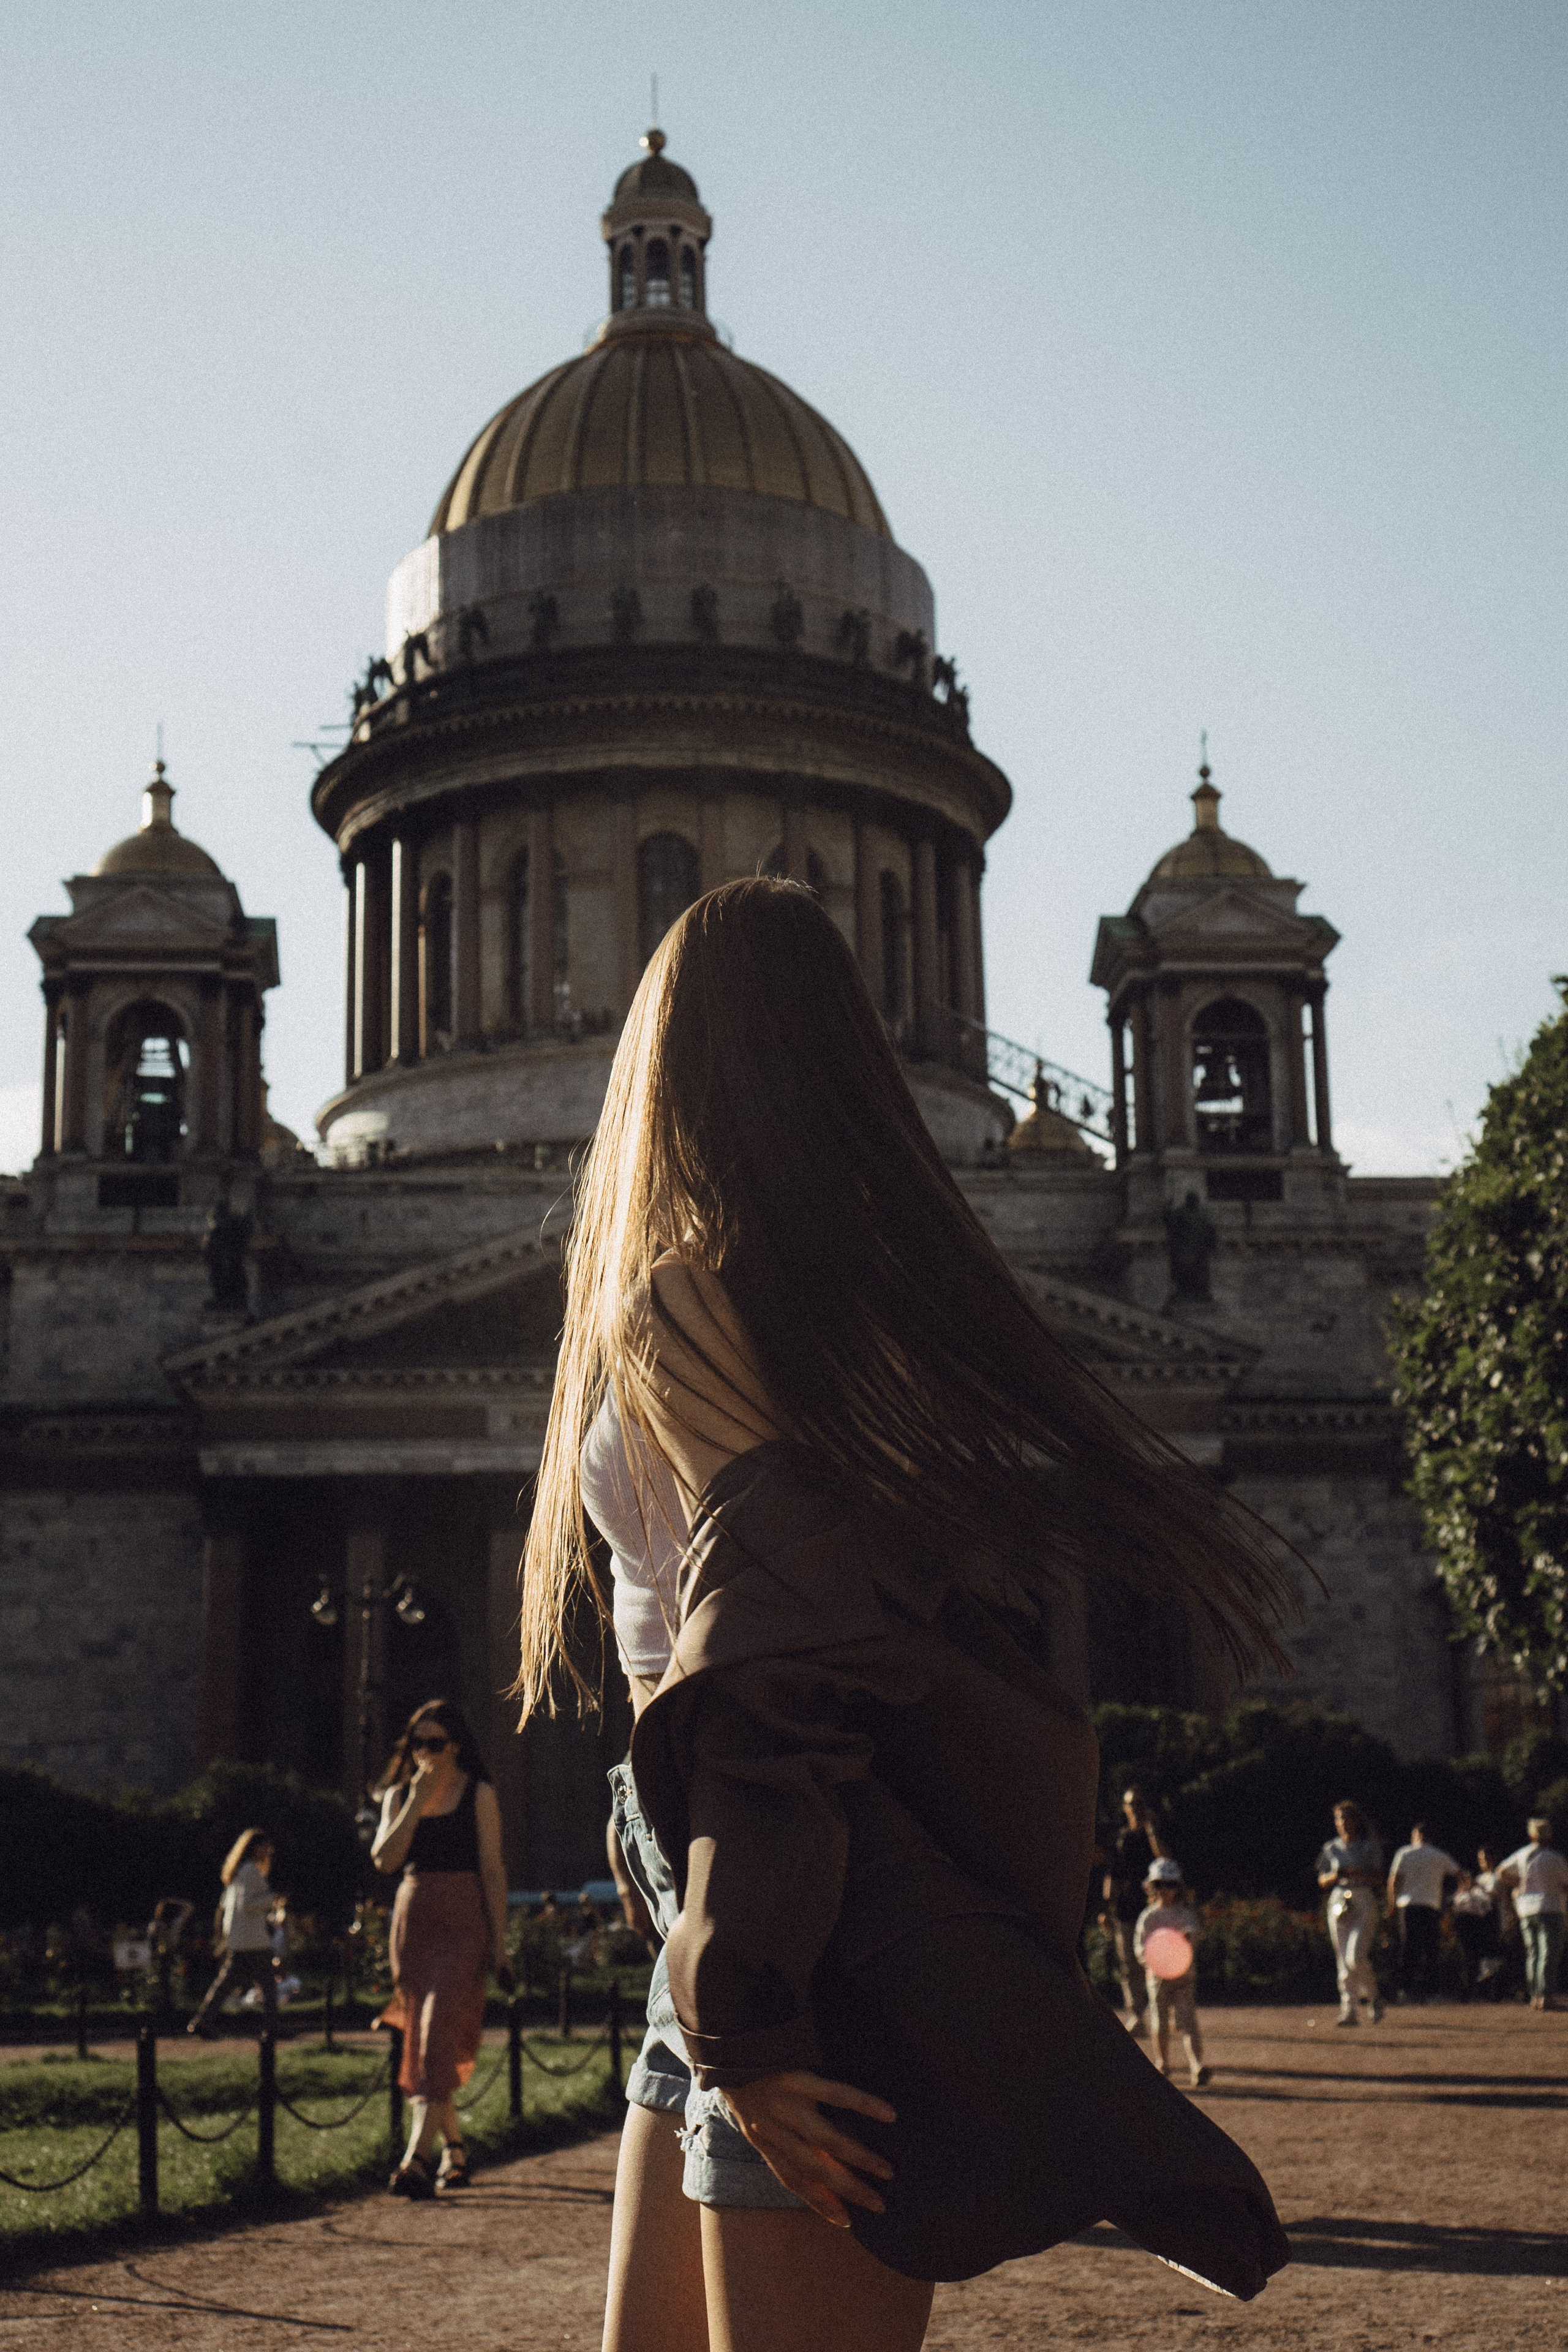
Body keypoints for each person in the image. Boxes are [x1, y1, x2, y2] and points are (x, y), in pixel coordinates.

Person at [518, 880, 1293, 2352]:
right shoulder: (864, 1313)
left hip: (780, 1894)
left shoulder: (692, 1299)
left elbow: (773, 1663)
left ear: (668, 1059)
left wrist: (748, 2004)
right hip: (734, 1886)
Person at [371, 1698, 514, 2196]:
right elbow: (385, 1861)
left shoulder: (479, 1793)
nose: (424, 1754)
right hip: (414, 1922)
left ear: (455, 1747)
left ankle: (415, 2159)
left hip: (464, 1921)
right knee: (423, 2037)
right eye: (417, 1744)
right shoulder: (399, 1796)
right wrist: (415, 1802)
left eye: (435, 1744)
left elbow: (492, 1871)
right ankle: (455, 2149)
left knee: (436, 2036)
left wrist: (501, 1946)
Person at [187, 1831, 278, 2038]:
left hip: (240, 1939)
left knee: (226, 1984)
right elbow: (246, 1905)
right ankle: (272, 2029)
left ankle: (202, 2021)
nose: (268, 1852)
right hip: (253, 1940)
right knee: (268, 1985)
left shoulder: (238, 1872)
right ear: (256, 1847)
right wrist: (271, 1898)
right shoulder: (250, 1871)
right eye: (265, 1847)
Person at [1134, 1859, 1210, 2089]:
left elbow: (1194, 1934)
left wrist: (1188, 1938)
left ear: (1178, 1887)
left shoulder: (1184, 1915)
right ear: (1151, 1887)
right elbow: (1140, 1947)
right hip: (1157, 1977)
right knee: (1160, 2021)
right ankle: (1162, 2064)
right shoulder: (1148, 1917)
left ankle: (1196, 2066)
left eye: (1170, 1884)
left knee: (1188, 2021)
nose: (1164, 1890)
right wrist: (1151, 1960)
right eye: (1159, 1885)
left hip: (1183, 1976)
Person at [1315, 1801, 1385, 2027]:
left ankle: (1373, 1996)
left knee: (1355, 1957)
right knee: (1342, 1959)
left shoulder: (1368, 1847)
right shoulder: (1331, 1848)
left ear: (1356, 1821)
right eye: (1339, 1819)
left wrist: (1359, 1874)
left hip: (1362, 1897)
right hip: (1339, 1899)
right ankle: (1349, 2009)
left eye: (1347, 1818)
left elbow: (1380, 1878)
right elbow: (1322, 1879)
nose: (1344, 1823)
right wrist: (1335, 1876)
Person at [1104, 1785, 1167, 2035]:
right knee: (1129, 1965)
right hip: (1126, 1909)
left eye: (1141, 1803)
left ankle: (1161, 2013)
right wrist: (1105, 1908)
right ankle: (1137, 2016)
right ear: (1125, 1808)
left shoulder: (1155, 1836)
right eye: (1132, 1804)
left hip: (1154, 1909)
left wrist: (1151, 1830)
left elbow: (1165, 1860)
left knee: (1155, 1962)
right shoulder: (1121, 1839)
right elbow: (1113, 1875)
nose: (1137, 1809)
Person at [1496, 1817, 1568, 2010]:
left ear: (1531, 1835)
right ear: (1549, 1835)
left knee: (1533, 1953)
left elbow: (1501, 1871)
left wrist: (1519, 1883)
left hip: (1526, 1909)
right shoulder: (1555, 1858)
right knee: (1549, 1953)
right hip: (1551, 1907)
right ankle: (1546, 1995)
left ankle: (1535, 1996)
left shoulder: (1522, 1854)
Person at [1386, 1823, 1458, 2004]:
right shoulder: (1440, 1855)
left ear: (1416, 1836)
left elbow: (1394, 1880)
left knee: (1409, 1948)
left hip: (1408, 1905)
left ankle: (1405, 1991)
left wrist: (1392, 1904)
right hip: (1431, 1906)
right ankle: (1432, 1994)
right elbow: (1459, 1873)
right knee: (1431, 1949)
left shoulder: (1404, 1853)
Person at [1450, 1863, 1503, 2000]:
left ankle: (1487, 1991)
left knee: (1484, 1957)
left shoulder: (1480, 1891)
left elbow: (1488, 1905)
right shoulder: (1460, 1894)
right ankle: (1469, 1990)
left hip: (1479, 1923)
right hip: (1464, 1924)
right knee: (1468, 1957)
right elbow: (1454, 1908)